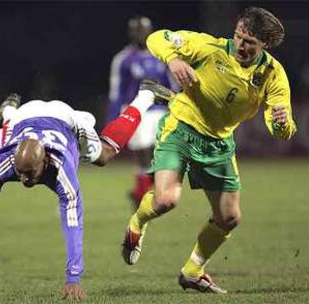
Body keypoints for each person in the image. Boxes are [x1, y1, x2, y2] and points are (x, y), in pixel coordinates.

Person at [121, 7, 297, 294]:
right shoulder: (209, 47)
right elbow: (157, 38)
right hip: (181, 127)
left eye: (250, 42)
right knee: (166, 200)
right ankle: (137, 222)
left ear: (264, 44)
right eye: (239, 37)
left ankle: (193, 271)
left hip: (218, 143)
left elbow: (283, 129)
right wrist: (174, 58)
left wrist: (282, 123)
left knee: (229, 218)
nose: (241, 45)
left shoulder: (272, 75)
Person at [0, 81, 175, 301]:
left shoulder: (62, 172)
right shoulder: (4, 162)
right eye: (20, 171)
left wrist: (73, 278)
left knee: (103, 155)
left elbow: (73, 223)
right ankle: (10, 111)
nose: (23, 179)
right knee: (11, 142)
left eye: (30, 172)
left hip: (65, 118)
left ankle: (145, 96)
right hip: (25, 117)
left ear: (45, 161)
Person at [107, 16, 179, 207]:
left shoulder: (162, 56)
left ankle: (145, 192)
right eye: (135, 30)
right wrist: (113, 119)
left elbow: (172, 85)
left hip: (159, 110)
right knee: (142, 153)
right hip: (136, 111)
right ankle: (144, 193)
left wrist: (178, 107)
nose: (139, 33)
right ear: (130, 33)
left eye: (143, 29)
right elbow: (116, 91)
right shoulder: (122, 59)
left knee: (158, 153)